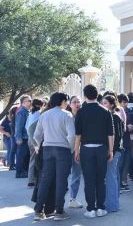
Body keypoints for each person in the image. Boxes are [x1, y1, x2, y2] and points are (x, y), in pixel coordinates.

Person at [32, 92, 76, 221]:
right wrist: (71, 148)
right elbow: (72, 135)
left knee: (45, 180)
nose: (67, 103)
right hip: (62, 149)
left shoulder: (44, 115)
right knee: (61, 181)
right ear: (63, 101)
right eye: (66, 101)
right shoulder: (67, 115)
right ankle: (59, 211)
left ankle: (38, 211)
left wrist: (38, 146)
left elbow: (36, 135)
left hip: (47, 149)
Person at [74, 84, 114, 218]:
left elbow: (78, 134)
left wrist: (76, 150)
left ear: (85, 96)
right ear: (97, 95)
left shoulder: (81, 112)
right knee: (101, 179)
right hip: (102, 149)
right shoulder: (105, 111)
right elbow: (110, 133)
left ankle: (91, 209)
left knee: (89, 180)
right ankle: (101, 208)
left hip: (86, 149)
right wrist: (111, 150)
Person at [101, 95, 124, 212]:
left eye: (105, 103)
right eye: (102, 103)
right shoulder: (113, 116)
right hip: (114, 150)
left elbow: (117, 136)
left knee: (111, 177)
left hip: (114, 151)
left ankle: (112, 205)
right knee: (113, 176)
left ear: (111, 104)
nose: (102, 105)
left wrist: (111, 152)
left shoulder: (114, 116)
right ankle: (113, 202)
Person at [67, 96, 84, 209]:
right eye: (74, 102)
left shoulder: (83, 116)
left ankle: (72, 199)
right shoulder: (66, 117)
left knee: (76, 175)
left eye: (78, 102)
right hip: (66, 149)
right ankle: (57, 200)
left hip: (80, 150)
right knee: (63, 175)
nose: (77, 104)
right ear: (70, 104)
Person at [27, 99, 44, 187]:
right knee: (35, 160)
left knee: (32, 159)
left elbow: (27, 127)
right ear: (40, 105)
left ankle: (31, 179)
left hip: (30, 139)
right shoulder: (39, 114)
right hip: (35, 139)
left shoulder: (30, 114)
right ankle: (32, 180)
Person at [15, 95, 32, 178]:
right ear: (23, 102)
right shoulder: (21, 111)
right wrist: (19, 138)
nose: (30, 102)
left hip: (26, 137)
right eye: (29, 101)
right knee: (21, 155)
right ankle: (19, 172)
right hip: (23, 137)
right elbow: (19, 126)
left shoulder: (26, 111)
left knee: (25, 155)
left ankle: (24, 171)